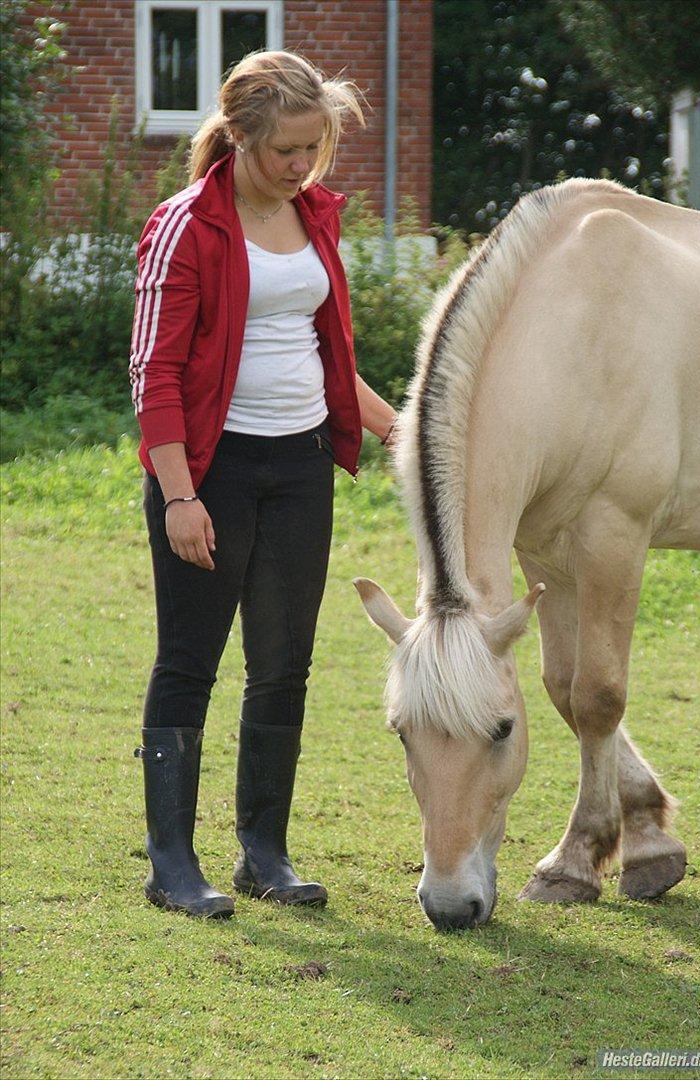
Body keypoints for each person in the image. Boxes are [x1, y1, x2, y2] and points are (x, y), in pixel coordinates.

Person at [129, 50, 399, 918]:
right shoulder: (187, 223)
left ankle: (263, 855)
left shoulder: (315, 215)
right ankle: (172, 866)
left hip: (301, 464)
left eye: (313, 148)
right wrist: (179, 495)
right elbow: (155, 372)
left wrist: (404, 431)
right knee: (188, 665)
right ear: (239, 136)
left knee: (283, 665)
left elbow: (329, 353)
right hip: (212, 472)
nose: (301, 165)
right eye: (286, 149)